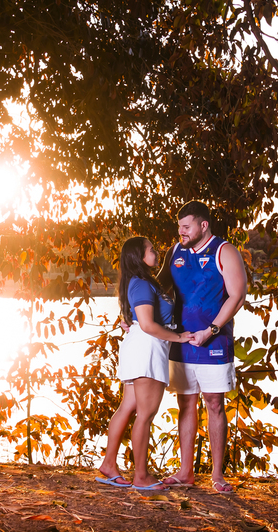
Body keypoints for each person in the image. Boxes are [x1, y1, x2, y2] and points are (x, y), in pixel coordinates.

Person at [160, 201, 248, 494]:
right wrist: (134, 315)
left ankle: (218, 475)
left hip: (213, 342)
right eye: (179, 227)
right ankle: (185, 473)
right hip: (182, 341)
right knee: (185, 404)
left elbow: (237, 295)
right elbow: (158, 288)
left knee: (214, 403)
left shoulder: (224, 251)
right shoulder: (175, 251)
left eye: (186, 227)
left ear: (203, 226)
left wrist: (211, 330)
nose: (181, 232)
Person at [96, 237, 195, 491]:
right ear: (139, 256)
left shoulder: (143, 281)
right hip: (147, 347)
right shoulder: (140, 284)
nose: (156, 250)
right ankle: (141, 476)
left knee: (128, 407)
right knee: (145, 415)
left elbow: (143, 319)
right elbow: (149, 325)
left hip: (143, 345)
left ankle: (109, 466)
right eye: (151, 249)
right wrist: (179, 337)